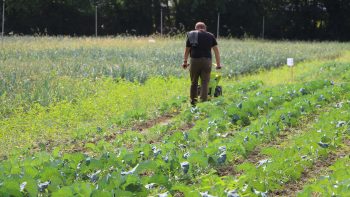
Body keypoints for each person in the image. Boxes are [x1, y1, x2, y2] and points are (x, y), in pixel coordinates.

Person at [182, 22, 221, 106]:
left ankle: (193, 102)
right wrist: (218, 64)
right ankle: (203, 102)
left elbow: (187, 50)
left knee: (194, 82)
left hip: (194, 60)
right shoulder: (211, 36)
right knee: (205, 82)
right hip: (207, 61)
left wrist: (185, 62)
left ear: (196, 28)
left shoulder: (191, 35)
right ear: (205, 28)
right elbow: (216, 51)